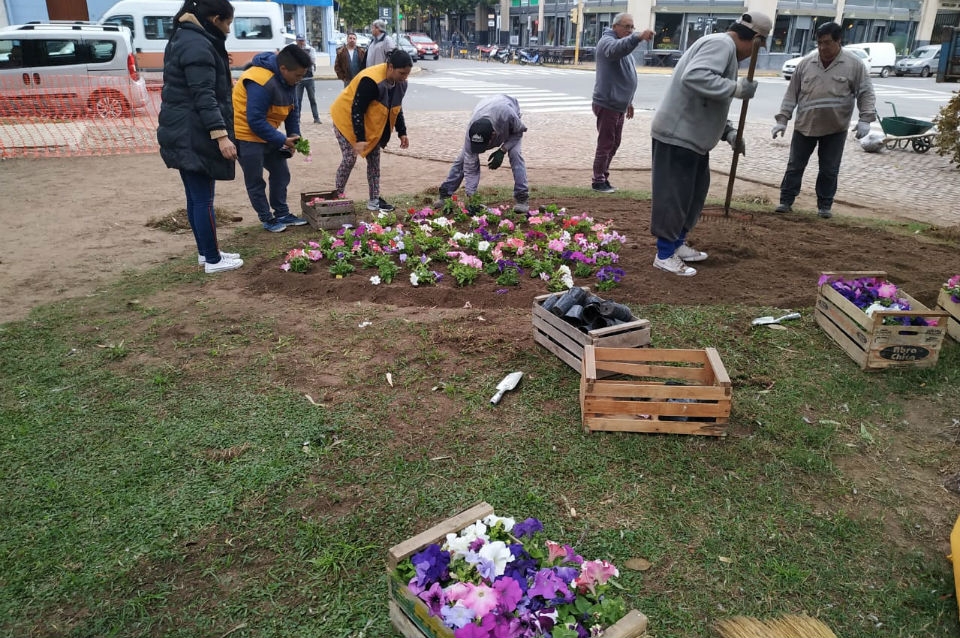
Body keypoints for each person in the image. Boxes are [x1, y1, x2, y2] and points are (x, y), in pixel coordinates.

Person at [649, 12, 770, 276]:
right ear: (755, 39)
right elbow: (695, 77)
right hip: (678, 135)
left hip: (694, 139)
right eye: (759, 45)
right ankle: (664, 254)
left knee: (692, 196)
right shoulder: (721, 44)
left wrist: (728, 132)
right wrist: (736, 88)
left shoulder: (725, 49)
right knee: (674, 197)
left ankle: (677, 244)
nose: (755, 53)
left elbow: (709, 101)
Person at [156, 0, 242, 274]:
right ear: (215, 19)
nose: (228, 29)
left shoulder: (186, 36)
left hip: (183, 130)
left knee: (195, 198)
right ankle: (214, 260)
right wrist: (221, 136)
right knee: (203, 199)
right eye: (227, 23)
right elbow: (204, 95)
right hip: (193, 132)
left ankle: (206, 253)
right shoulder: (198, 44)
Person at [772, 22, 877, 219]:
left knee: (829, 169)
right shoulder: (806, 63)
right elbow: (791, 93)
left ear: (839, 41)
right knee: (795, 166)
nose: (822, 47)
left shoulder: (854, 65)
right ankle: (785, 201)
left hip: (835, 128)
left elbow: (866, 93)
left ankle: (824, 206)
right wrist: (783, 119)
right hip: (805, 125)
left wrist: (866, 118)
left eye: (827, 42)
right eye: (819, 43)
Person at [233, 43, 312, 232]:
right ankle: (267, 218)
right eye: (298, 76)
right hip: (246, 135)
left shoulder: (289, 81)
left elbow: (292, 111)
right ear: (283, 69)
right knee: (255, 180)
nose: (300, 80)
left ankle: (282, 213)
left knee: (281, 173)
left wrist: (294, 135)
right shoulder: (260, 81)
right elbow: (255, 120)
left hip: (268, 133)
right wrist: (282, 140)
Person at [330, 49, 413, 213]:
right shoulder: (371, 80)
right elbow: (357, 109)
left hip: (369, 124)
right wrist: (360, 138)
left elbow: (396, 107)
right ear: (390, 67)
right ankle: (337, 197)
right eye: (402, 73)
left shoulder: (401, 83)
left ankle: (374, 200)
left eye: (407, 74)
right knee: (349, 158)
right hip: (345, 119)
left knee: (374, 162)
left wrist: (402, 132)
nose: (404, 78)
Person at [590, 13, 654, 193]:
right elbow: (617, 49)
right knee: (606, 143)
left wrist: (629, 102)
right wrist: (638, 37)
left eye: (632, 27)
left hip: (618, 104)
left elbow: (625, 74)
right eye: (627, 26)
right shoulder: (608, 42)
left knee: (614, 143)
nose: (630, 30)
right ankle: (598, 180)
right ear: (615, 26)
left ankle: (603, 176)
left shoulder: (622, 44)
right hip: (608, 103)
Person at [437, 94, 529, 212]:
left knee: (515, 155)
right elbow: (471, 167)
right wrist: (472, 197)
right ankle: (445, 194)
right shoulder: (471, 131)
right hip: (486, 108)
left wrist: (503, 150)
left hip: (507, 115)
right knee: (462, 159)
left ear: (493, 136)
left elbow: (519, 132)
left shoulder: (507, 114)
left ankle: (522, 197)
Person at [295, 34, 320, 124]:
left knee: (312, 99)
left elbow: (312, 61)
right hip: (298, 78)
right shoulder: (294, 50)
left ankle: (316, 118)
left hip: (309, 77)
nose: (301, 42)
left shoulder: (310, 49)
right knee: (298, 99)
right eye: (299, 41)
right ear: (297, 41)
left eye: (302, 40)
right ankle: (297, 118)